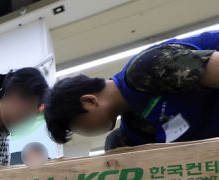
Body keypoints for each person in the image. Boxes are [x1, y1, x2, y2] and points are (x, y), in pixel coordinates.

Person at [45, 31, 219, 145]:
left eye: (80, 126)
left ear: (89, 101)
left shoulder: (146, 70)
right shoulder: (135, 128)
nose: (88, 133)